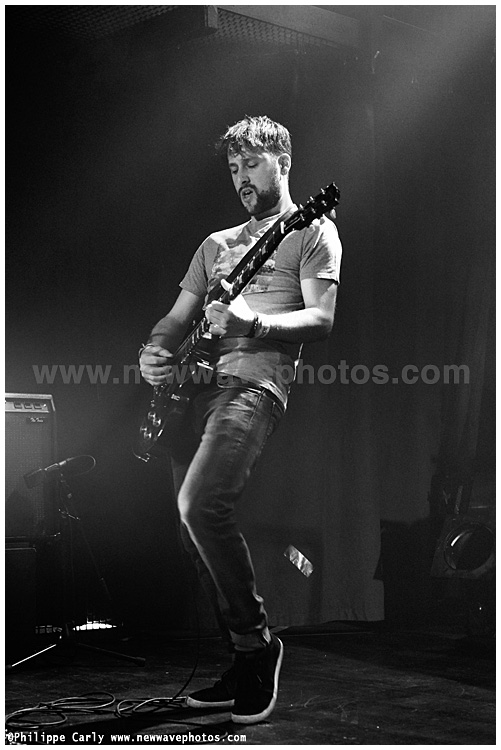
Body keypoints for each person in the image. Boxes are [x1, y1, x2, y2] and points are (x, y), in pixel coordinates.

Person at [139, 115, 342, 724]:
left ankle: (259, 647)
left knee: (200, 504)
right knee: (190, 529)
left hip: (253, 384)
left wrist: (251, 322)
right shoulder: (216, 244)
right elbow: (176, 318)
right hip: (191, 390)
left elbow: (321, 319)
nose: (242, 177)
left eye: (252, 163)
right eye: (233, 168)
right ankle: (243, 658)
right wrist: (154, 350)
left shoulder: (313, 229)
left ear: (283, 162)